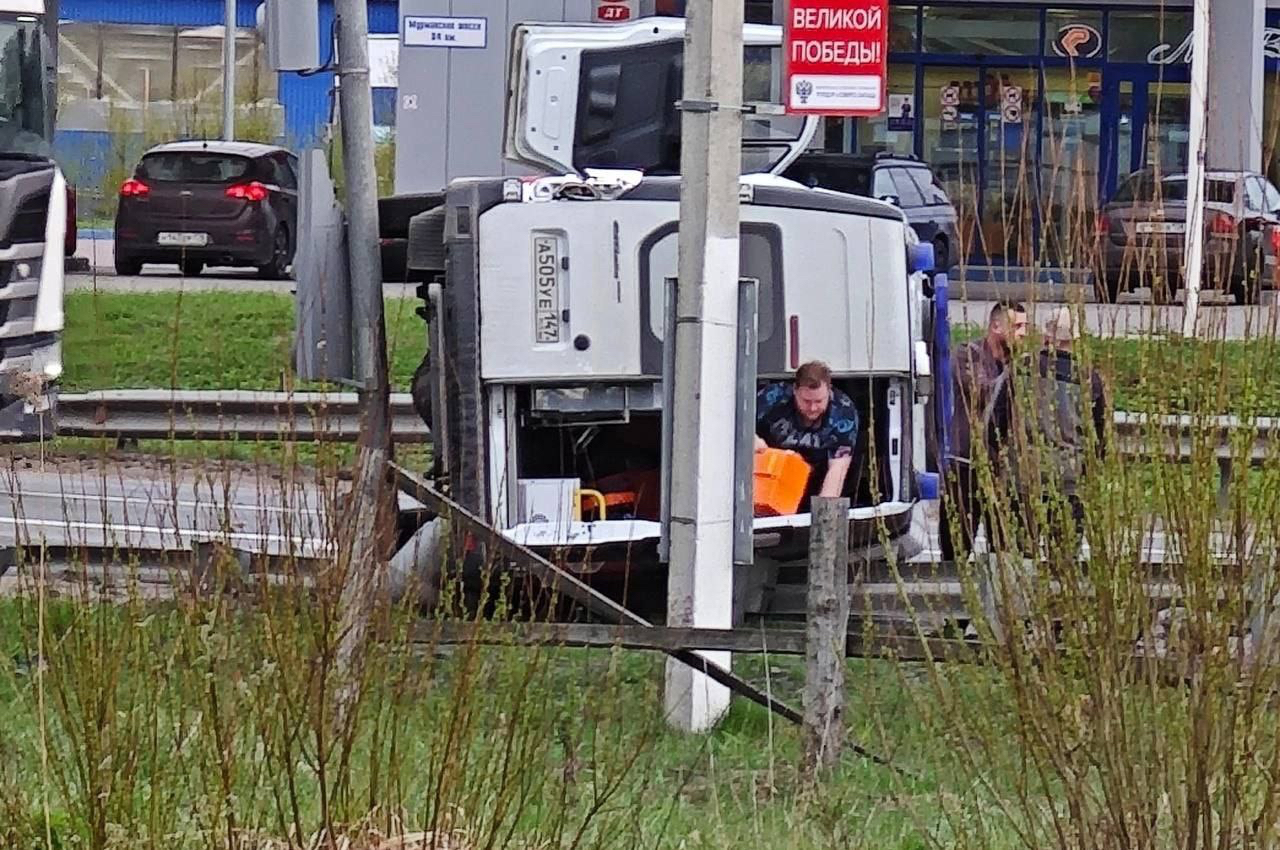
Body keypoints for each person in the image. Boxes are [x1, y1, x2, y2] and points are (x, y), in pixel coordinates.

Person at [985, 305, 1107, 559]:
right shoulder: (1087, 379)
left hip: (1022, 479)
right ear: (1076, 339)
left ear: (1045, 336)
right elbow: (1097, 438)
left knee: (1017, 558)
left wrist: (996, 466)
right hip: (1067, 481)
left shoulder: (1020, 369)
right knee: (1062, 565)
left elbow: (996, 422)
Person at [938, 299, 1028, 562]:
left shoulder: (1018, 364)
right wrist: (1013, 373)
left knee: (1005, 550)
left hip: (1002, 468)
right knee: (955, 548)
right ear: (997, 326)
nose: (1023, 333)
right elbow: (980, 392)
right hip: (966, 464)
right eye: (1018, 326)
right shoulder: (969, 354)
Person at [755, 361, 859, 503]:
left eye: (819, 401)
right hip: (770, 472)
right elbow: (736, 423)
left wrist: (824, 514)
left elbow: (837, 469)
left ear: (829, 391)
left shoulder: (843, 412)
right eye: (806, 401)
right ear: (795, 390)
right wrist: (753, 440)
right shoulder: (773, 397)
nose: (812, 408)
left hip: (816, 477)